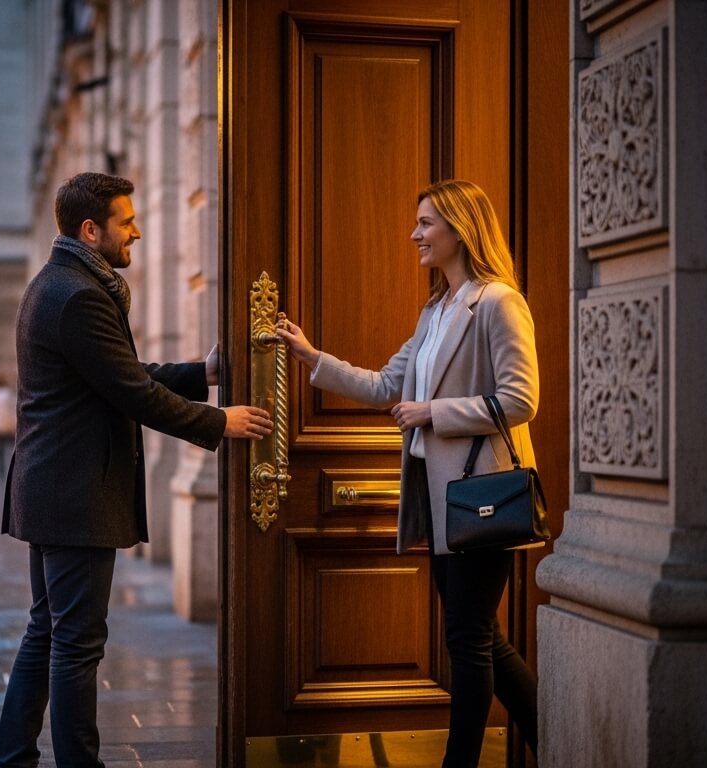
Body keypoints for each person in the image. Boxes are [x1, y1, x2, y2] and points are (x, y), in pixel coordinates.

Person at [0, 172, 272, 768]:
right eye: (127, 221)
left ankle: (13, 756)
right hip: (74, 495)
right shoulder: (77, 295)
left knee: (49, 630)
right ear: (91, 230)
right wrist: (217, 422)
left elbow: (124, 373)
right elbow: (132, 392)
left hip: (54, 487)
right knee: (75, 642)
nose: (138, 232)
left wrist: (203, 372)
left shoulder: (62, 284)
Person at [275, 179, 540, 767]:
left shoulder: (497, 301)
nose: (414, 234)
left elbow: (521, 400)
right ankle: (558, 739)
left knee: (466, 642)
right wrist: (311, 357)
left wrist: (434, 414)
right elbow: (386, 385)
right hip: (445, 503)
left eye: (425, 223)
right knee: (482, 640)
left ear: (459, 229)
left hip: (482, 500)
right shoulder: (437, 309)